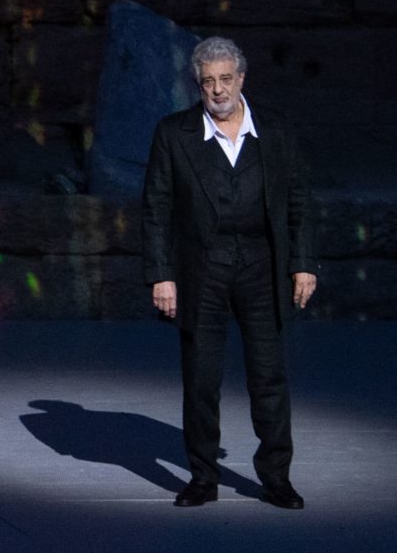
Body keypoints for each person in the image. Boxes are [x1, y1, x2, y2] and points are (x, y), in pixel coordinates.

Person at [141, 36, 317, 510]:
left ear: (241, 79)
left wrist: (302, 263)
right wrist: (161, 275)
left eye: (225, 79)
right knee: (201, 378)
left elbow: (298, 200)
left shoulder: (276, 131)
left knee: (269, 376)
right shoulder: (173, 133)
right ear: (197, 85)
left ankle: (276, 477)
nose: (217, 90)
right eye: (207, 82)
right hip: (203, 270)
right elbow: (156, 208)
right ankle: (203, 477)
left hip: (263, 267)